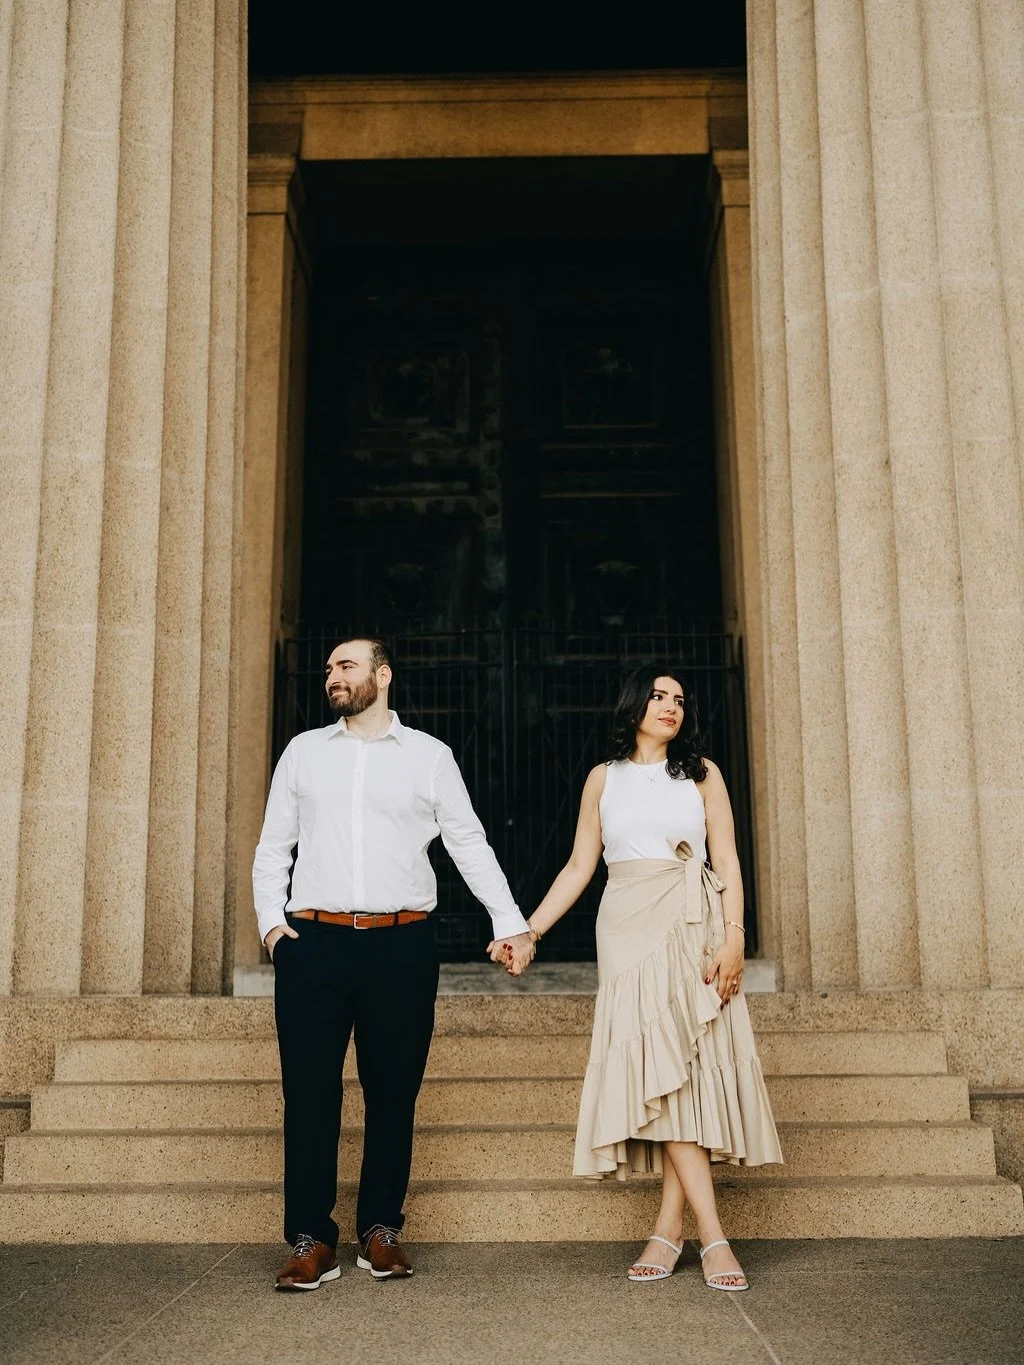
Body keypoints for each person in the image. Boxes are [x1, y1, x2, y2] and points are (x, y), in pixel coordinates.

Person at [253, 637, 534, 1290]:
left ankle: (381, 1229)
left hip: (401, 945)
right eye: (327, 668)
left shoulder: (429, 757)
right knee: (310, 1094)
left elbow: (467, 840)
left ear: (382, 675)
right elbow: (274, 847)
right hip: (313, 945)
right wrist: (274, 930)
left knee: (393, 1091)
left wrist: (509, 921)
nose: (332, 676)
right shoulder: (304, 754)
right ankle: (309, 1237)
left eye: (345, 666)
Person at [491, 665, 782, 1290]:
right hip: (626, 927)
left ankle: (674, 1230)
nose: (670, 706)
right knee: (663, 1070)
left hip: (693, 923)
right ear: (633, 704)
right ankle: (711, 1236)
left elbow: (728, 857)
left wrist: (734, 939)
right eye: (658, 696)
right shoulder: (603, 779)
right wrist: (529, 932)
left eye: (679, 699)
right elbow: (578, 864)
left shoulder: (703, 775)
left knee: (686, 1074)